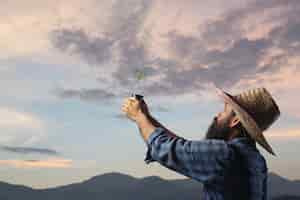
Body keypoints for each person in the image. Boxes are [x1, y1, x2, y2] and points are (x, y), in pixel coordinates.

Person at [121, 87, 280, 200]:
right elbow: (181, 145)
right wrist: (147, 116)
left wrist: (139, 117)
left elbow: (165, 148)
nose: (217, 115)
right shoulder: (255, 159)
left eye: (224, 111)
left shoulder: (225, 154)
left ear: (235, 120)